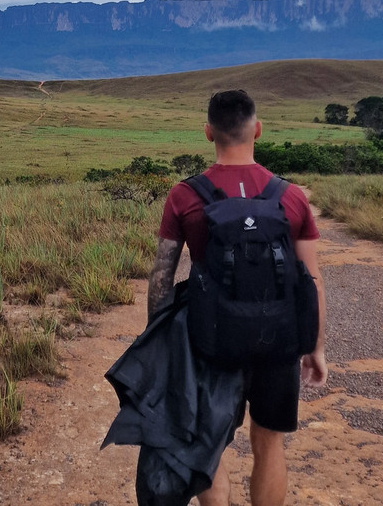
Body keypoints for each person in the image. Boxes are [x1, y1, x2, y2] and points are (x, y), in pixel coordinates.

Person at [147, 89, 328, 506]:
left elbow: (162, 274)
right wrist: (315, 346)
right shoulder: (291, 196)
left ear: (208, 132)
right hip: (278, 340)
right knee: (270, 443)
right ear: (258, 130)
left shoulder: (184, 195)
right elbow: (312, 280)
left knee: (207, 444)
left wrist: (160, 341)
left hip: (210, 341)